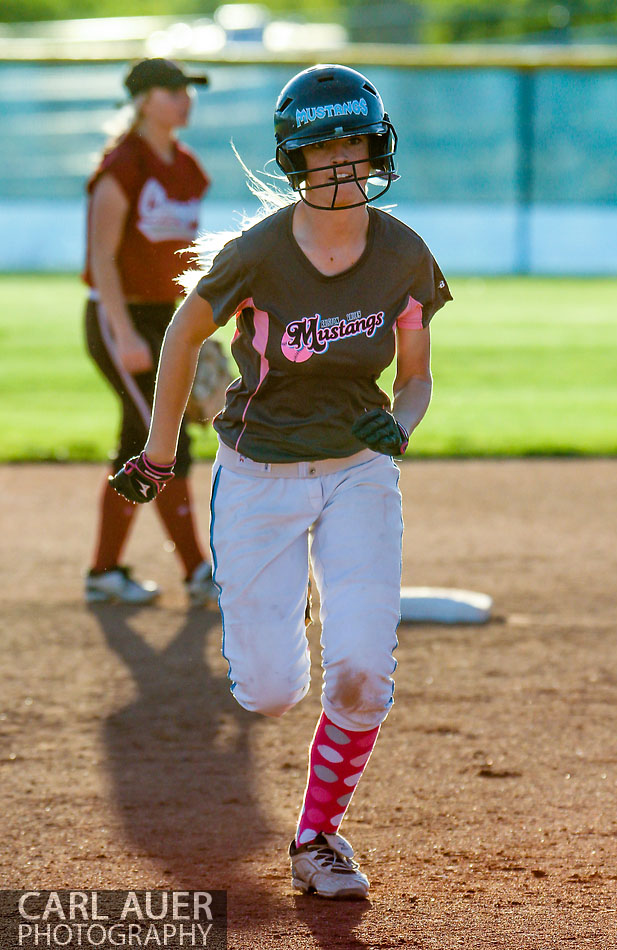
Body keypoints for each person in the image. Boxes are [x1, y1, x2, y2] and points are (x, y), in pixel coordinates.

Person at [110, 64, 452, 896]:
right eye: (322, 145)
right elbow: (184, 342)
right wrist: (158, 458)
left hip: (358, 473)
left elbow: (415, 378)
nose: (341, 160)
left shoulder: (403, 253)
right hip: (259, 474)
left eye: (354, 143)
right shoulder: (257, 252)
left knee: (363, 671)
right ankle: (283, 591)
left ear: (376, 147)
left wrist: (398, 427)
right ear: (294, 158)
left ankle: (317, 836)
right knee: (267, 692)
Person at [83, 58, 218, 607]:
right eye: (171, 90)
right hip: (122, 318)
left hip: (167, 316)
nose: (184, 99)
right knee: (161, 440)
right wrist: (125, 334)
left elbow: (182, 256)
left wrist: (196, 327)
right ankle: (197, 573)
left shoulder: (185, 165)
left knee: (135, 442)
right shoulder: (123, 166)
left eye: (188, 90)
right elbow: (102, 257)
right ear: (141, 99)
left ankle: (104, 573)